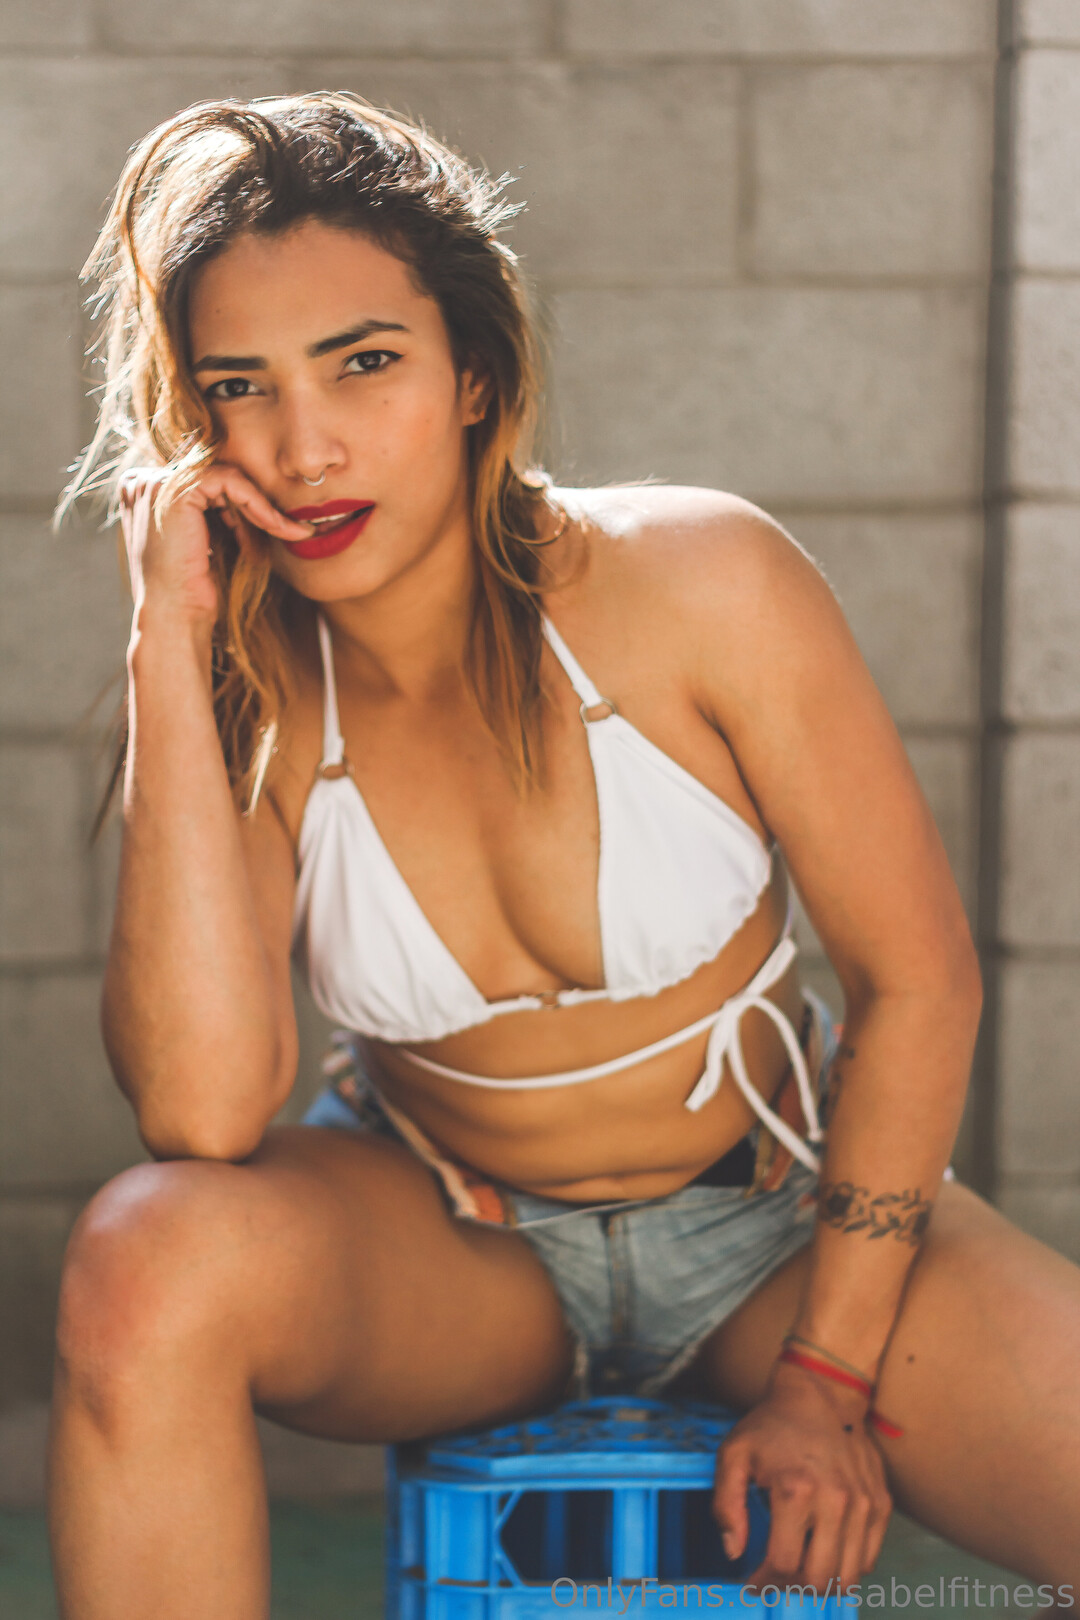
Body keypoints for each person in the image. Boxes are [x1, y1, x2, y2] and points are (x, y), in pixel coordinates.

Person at [46, 92, 1079, 1617]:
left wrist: (828, 1377)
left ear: (474, 372)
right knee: (146, 1260)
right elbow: (200, 1112)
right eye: (239, 389)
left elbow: (918, 982)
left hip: (783, 1224)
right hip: (458, 1254)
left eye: (364, 364)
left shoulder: (703, 581)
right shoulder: (238, 687)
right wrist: (167, 638)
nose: (305, 447)